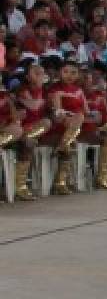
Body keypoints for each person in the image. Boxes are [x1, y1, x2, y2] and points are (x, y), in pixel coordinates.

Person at [44, 59, 88, 195]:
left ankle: (63, 145)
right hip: (60, 123)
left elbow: (87, 110)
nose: (69, 75)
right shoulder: (54, 90)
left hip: (77, 124)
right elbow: (57, 112)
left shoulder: (80, 91)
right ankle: (61, 182)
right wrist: (72, 117)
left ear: (78, 75)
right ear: (59, 73)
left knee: (78, 120)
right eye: (66, 72)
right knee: (73, 129)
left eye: (73, 73)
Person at [12, 64, 52, 200]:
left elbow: (50, 113)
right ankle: (20, 186)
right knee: (28, 142)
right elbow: (34, 107)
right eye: (37, 73)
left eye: (42, 73)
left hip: (38, 131)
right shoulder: (22, 90)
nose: (41, 75)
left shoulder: (46, 91)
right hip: (20, 130)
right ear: (28, 77)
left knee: (47, 122)